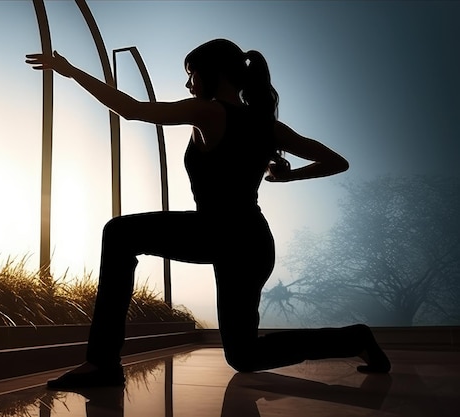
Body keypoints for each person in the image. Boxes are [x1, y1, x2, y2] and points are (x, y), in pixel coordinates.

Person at [25, 38, 390, 389]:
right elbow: (336, 162)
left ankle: (102, 363)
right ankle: (356, 339)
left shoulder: (208, 110)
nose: (188, 82)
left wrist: (71, 71)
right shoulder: (268, 126)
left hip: (218, 232)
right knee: (244, 356)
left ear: (214, 72)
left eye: (192, 73)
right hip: (252, 243)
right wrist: (289, 175)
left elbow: (132, 110)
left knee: (120, 233)